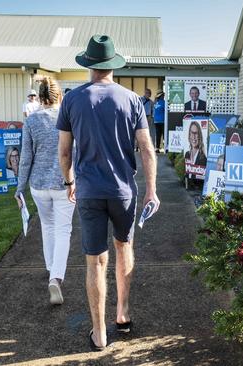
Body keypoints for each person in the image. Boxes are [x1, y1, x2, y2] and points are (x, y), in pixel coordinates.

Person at [57, 34, 159, 351]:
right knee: (123, 249)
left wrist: (69, 182)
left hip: (88, 191)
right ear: (113, 65)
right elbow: (147, 149)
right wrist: (152, 190)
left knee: (95, 262)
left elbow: (63, 152)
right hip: (123, 191)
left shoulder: (72, 99)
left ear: (89, 64)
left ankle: (99, 333)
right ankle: (123, 314)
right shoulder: (132, 100)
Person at [15, 76, 75, 306]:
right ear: (60, 95)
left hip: (38, 185)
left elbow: (25, 159)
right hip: (64, 183)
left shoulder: (31, 121)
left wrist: (19, 188)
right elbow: (73, 153)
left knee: (47, 225)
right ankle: (55, 277)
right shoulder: (69, 118)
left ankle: (50, 266)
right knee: (63, 230)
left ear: (40, 98)